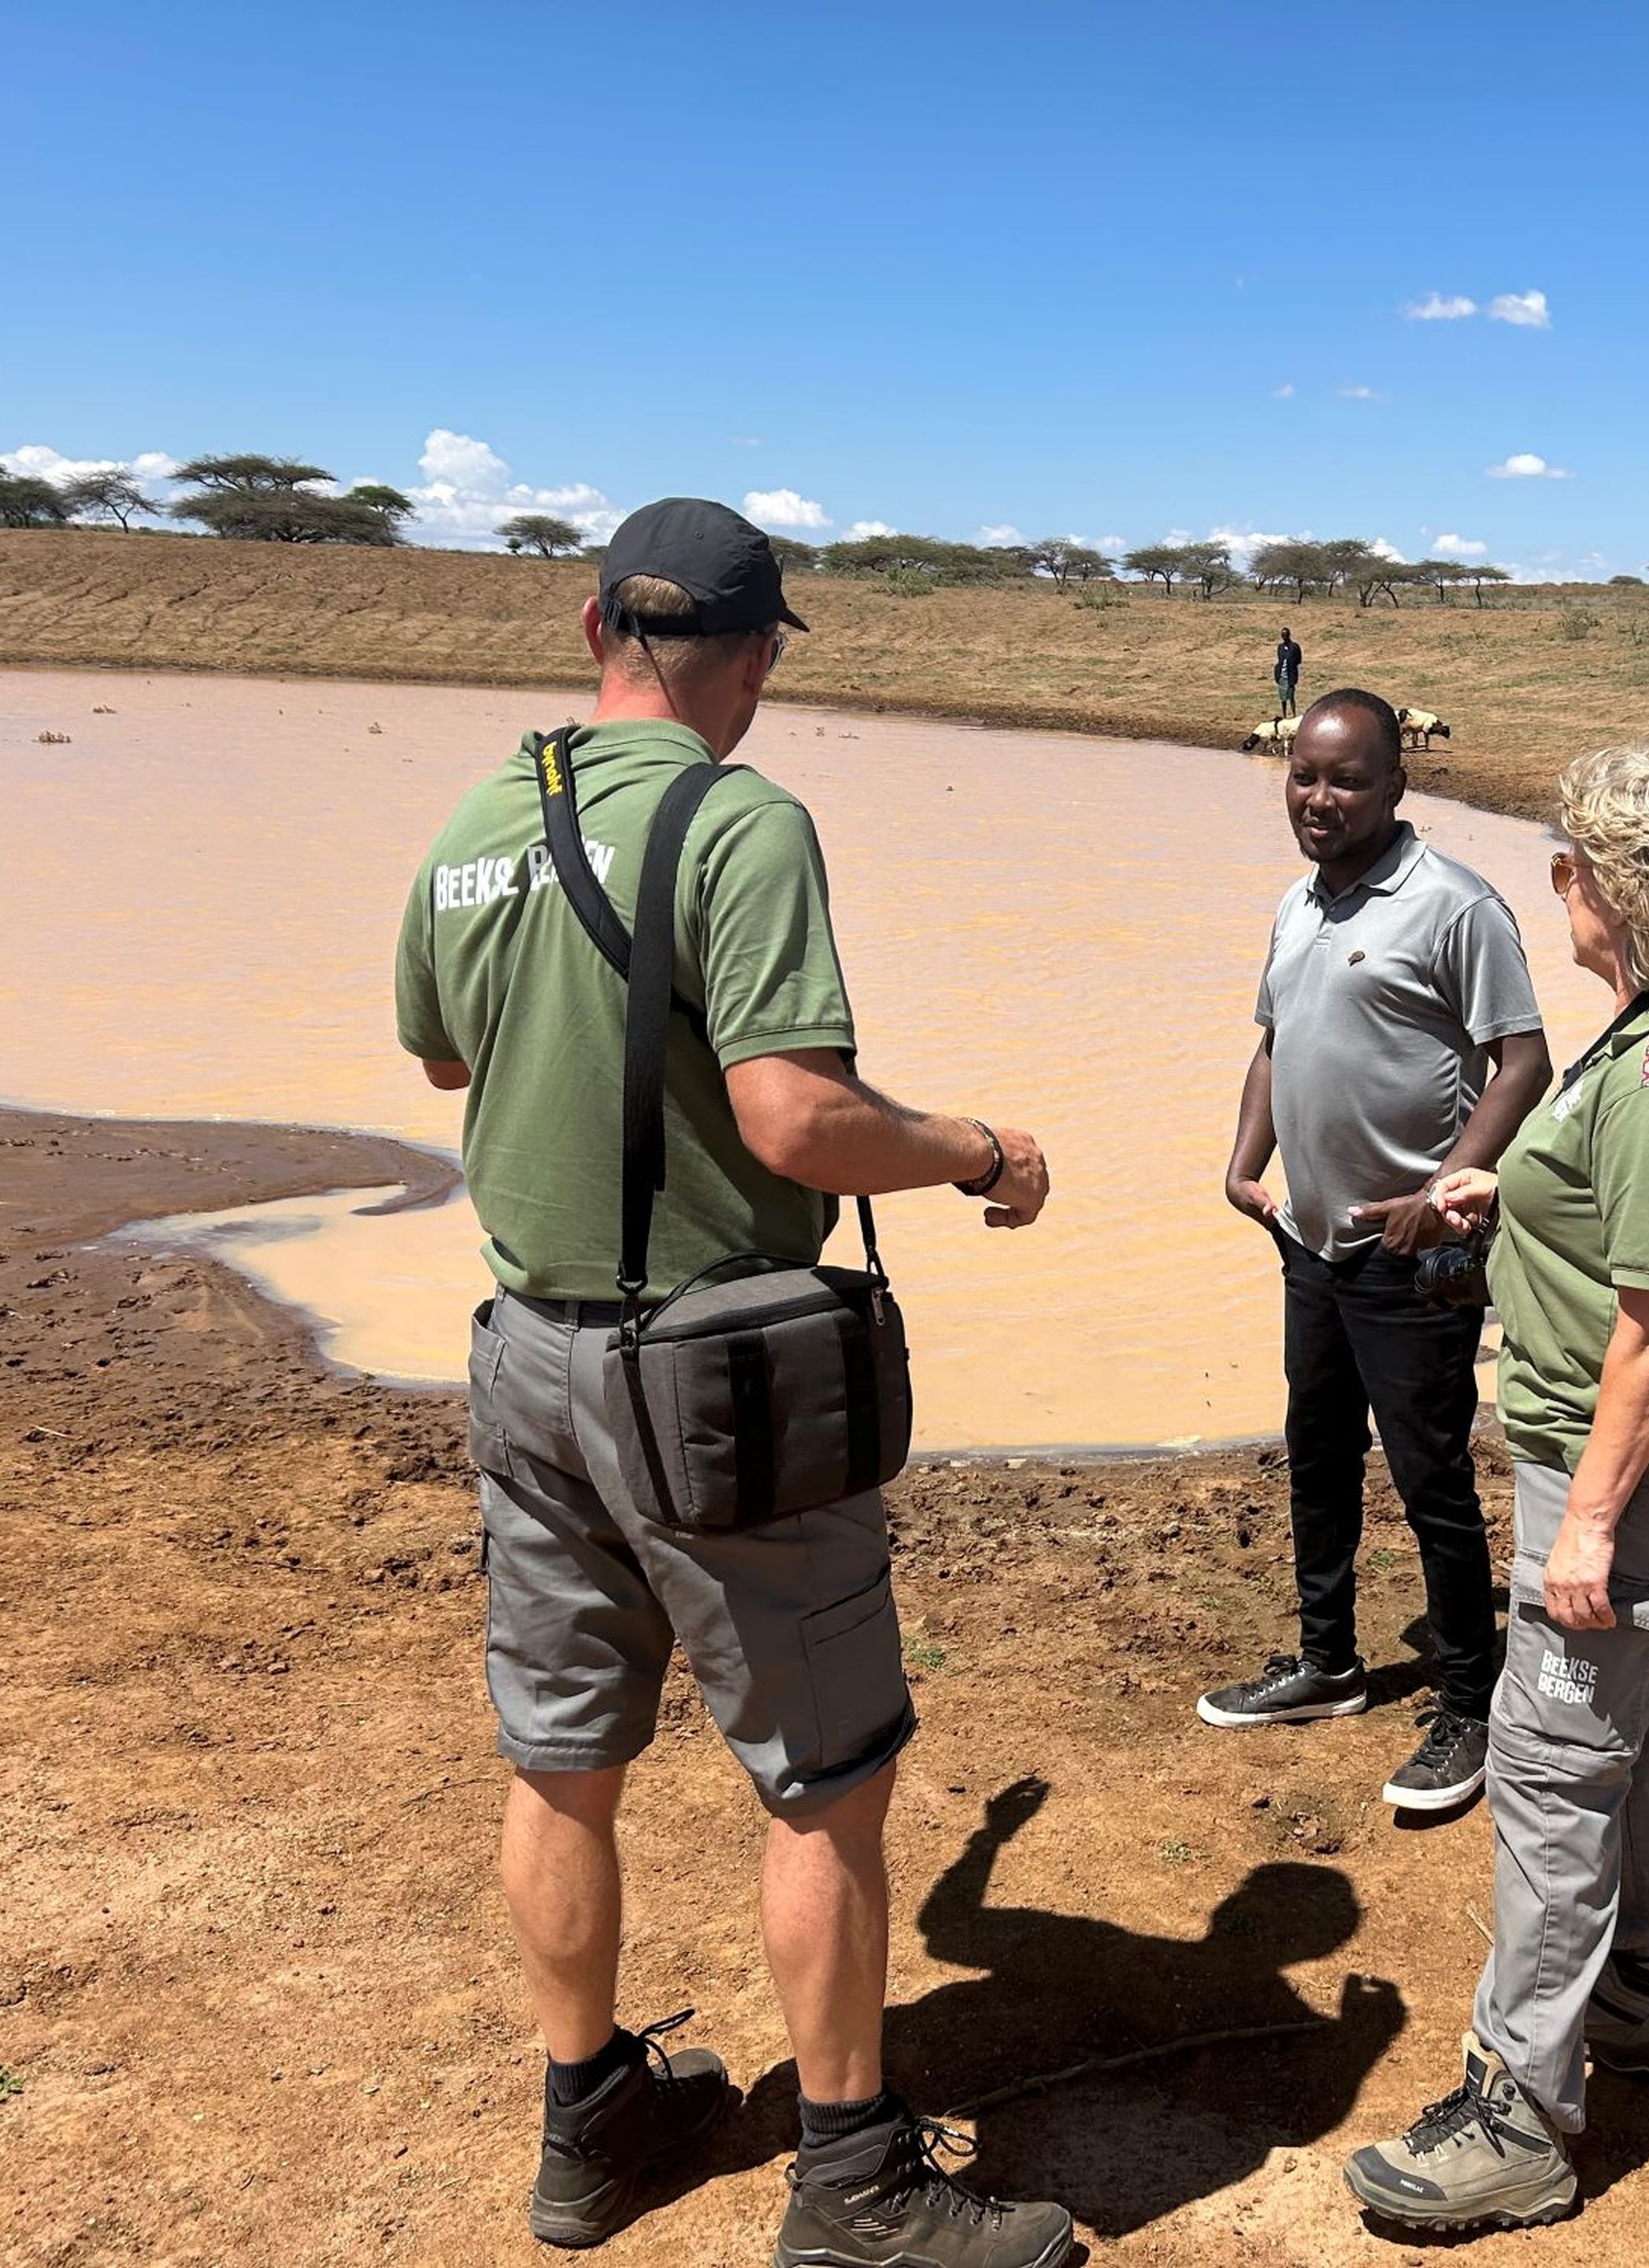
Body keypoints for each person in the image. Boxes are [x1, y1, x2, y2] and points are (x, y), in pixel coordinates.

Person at [394, 497, 1076, 2268]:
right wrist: (976, 1146)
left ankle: (592, 2123)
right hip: (709, 1379)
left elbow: (442, 1047)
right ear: (757, 655)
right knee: (828, 1779)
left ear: (590, 630)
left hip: (524, 1360)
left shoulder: (481, 820)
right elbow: (795, 1117)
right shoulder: (741, 817)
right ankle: (853, 2186)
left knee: (560, 1760)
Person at [1341, 738, 1649, 2234]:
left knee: (1547, 1766)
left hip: (1631, 1470)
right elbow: (1628, 1214)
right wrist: (1505, 1189)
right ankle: (1634, 2005)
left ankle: (1520, 2118)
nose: (1560, 889)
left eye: (1575, 866)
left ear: (1621, 888)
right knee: (1630, 1727)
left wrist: (1587, 1524)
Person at [1207, 687, 1551, 1810]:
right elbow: (1274, 1042)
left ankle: (1467, 1705)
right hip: (1310, 1239)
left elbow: (1522, 1062)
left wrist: (1439, 1190)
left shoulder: (1456, 906)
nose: (1319, 798)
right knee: (1316, 1449)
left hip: (1417, 1253)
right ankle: (1328, 1662)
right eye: (1305, 776)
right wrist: (1243, 1162)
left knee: (1431, 1479)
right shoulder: (1295, 905)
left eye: (1346, 779)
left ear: (1396, 787)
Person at [1272, 625, 1304, 717]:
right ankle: (1284, 715)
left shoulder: (1294, 647)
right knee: (1283, 698)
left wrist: (1292, 667)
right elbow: (1280, 659)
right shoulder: (1280, 647)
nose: (1284, 637)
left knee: (1291, 696)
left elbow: (1298, 660)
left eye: (1285, 635)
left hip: (1291, 675)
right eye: (1283, 635)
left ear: (1289, 635)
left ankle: (1294, 714)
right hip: (1282, 676)